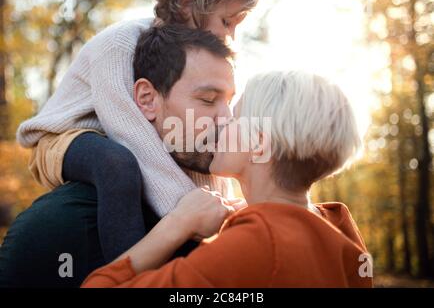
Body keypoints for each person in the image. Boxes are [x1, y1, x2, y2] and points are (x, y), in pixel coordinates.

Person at [15, 0, 258, 263]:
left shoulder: (189, 60)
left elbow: (194, 147)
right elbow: (131, 135)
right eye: (227, 22)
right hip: (64, 138)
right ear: (189, 4)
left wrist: (221, 208)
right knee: (116, 164)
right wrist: (187, 215)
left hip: (120, 130)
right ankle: (127, 273)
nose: (230, 36)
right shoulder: (119, 44)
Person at [82, 71, 373, 288]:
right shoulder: (338, 224)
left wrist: (178, 222)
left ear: (258, 144)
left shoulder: (255, 245)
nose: (220, 123)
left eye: (234, 118)